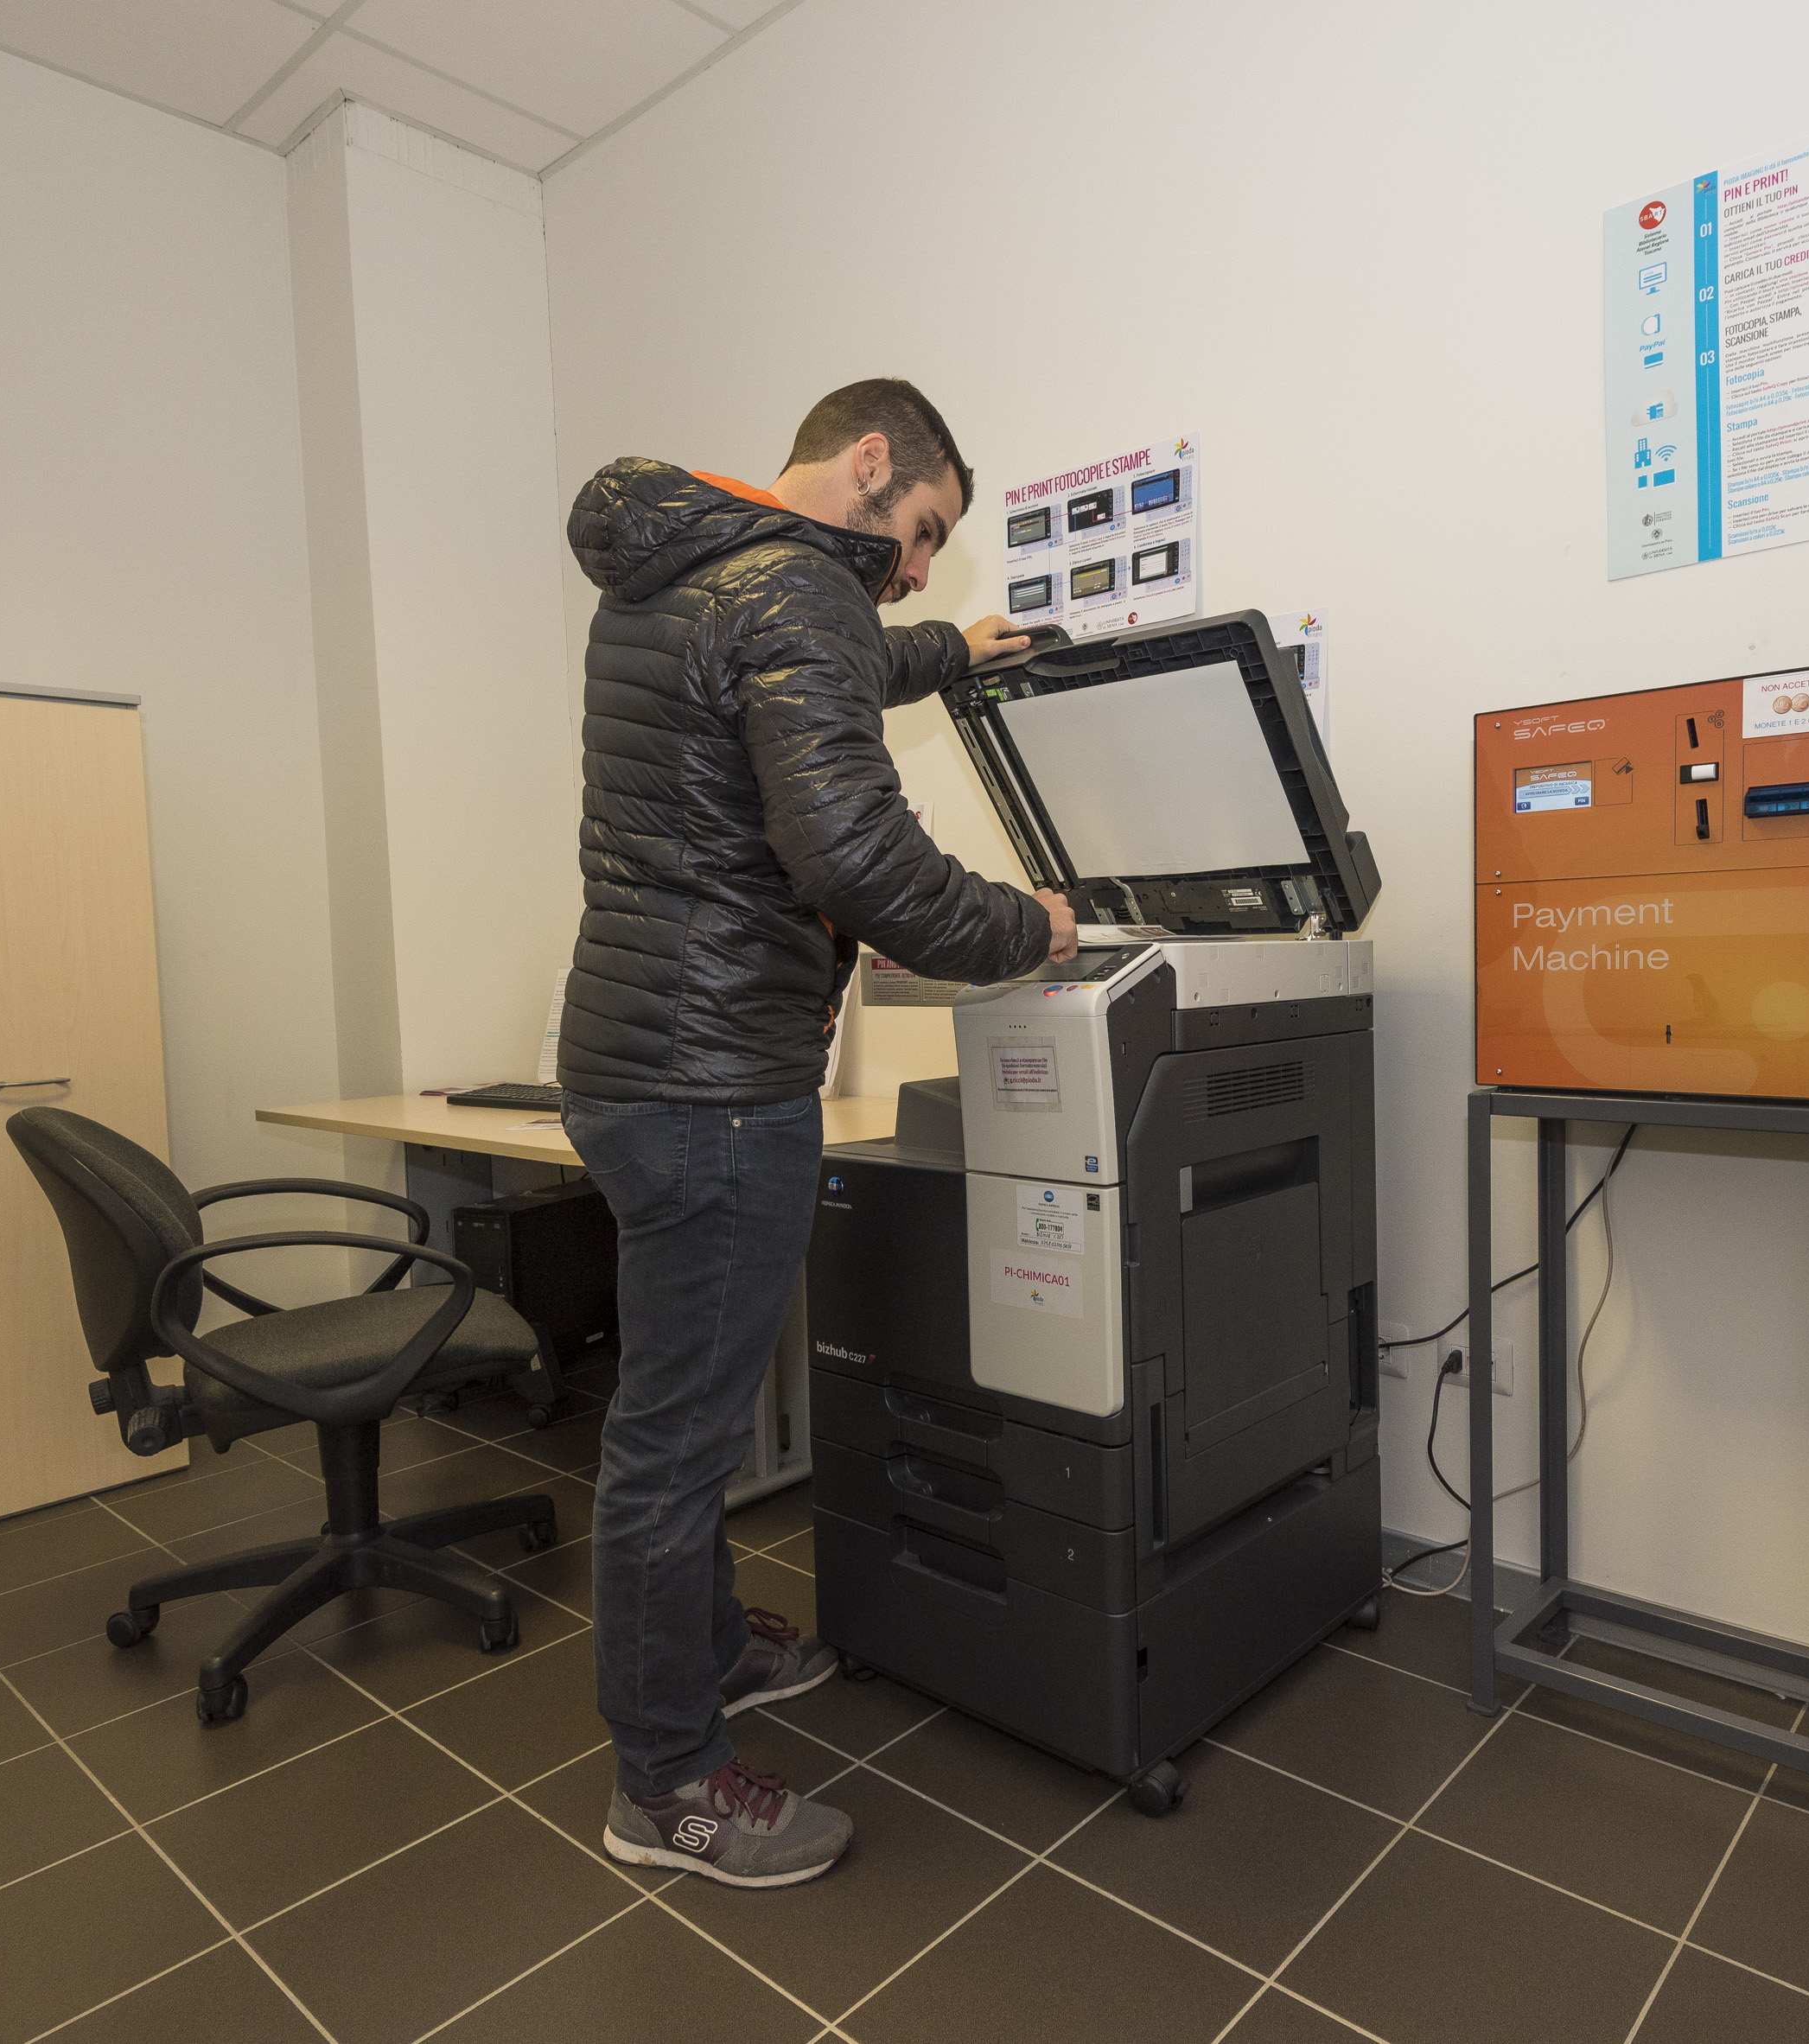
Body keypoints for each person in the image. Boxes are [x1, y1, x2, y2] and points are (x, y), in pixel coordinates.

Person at [557, 379, 1076, 1888]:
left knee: (681, 1409)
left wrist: (950, 650)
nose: (920, 569)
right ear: (869, 463)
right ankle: (666, 1783)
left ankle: (711, 1646)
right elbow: (856, 853)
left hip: (635, 1059)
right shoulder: (795, 593)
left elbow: (821, 654)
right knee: (677, 1445)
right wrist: (1030, 928)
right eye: (924, 532)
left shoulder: (681, 561)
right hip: (718, 1082)